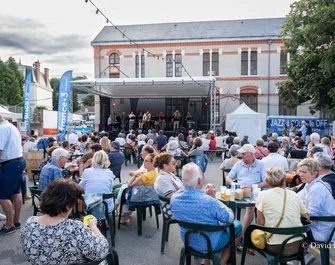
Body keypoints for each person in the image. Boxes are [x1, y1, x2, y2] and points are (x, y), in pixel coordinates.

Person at [21, 178, 110, 264]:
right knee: (112, 254)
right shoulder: (76, 229)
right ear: (67, 206)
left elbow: (26, 251)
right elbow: (101, 252)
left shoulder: (29, 223)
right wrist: (94, 227)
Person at [171, 163, 242, 265]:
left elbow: (194, 208)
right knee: (237, 226)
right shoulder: (209, 201)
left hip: (188, 241)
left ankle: (206, 261)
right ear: (200, 181)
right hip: (212, 243)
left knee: (207, 222)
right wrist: (214, 198)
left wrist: (205, 195)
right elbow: (229, 218)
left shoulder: (175, 198)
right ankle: (223, 261)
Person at [255, 167, 309, 255]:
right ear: (284, 181)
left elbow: (260, 223)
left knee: (252, 236)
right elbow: (307, 217)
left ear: (267, 182)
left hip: (275, 247)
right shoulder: (294, 195)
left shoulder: (262, 195)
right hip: (299, 245)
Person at [226, 144, 267, 250]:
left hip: (255, 193)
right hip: (239, 192)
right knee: (229, 207)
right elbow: (229, 178)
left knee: (250, 208)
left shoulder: (260, 164)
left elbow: (266, 181)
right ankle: (234, 234)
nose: (241, 155)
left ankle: (239, 236)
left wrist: (254, 187)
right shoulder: (239, 164)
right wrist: (234, 184)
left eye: (243, 154)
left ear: (251, 154)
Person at [297, 158, 335, 242]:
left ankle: (300, 253)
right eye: (299, 171)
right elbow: (298, 198)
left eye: (304, 172)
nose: (300, 174)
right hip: (321, 226)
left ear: (314, 174)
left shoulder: (317, 188)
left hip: (322, 231)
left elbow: (311, 214)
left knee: (289, 230)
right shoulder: (310, 184)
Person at [0, 114, 26, 236]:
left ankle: (9, 225)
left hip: (9, 164)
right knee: (16, 192)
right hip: (18, 161)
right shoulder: (11, 126)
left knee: (3, 195)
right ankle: (16, 221)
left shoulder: (2, 129)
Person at [79, 150, 114, 220]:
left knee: (80, 198)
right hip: (106, 206)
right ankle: (104, 221)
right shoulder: (109, 172)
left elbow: (80, 187)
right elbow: (110, 189)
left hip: (90, 205)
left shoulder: (87, 171)